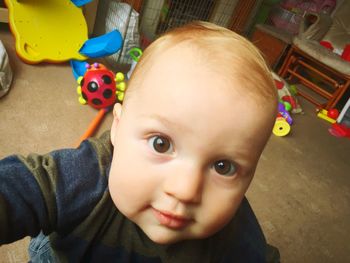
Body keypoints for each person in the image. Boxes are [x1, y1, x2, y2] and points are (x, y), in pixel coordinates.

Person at [0, 21, 279, 262]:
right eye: (161, 144)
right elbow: (22, 187)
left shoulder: (234, 233)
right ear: (118, 129)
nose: (185, 190)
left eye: (223, 166)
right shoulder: (86, 175)